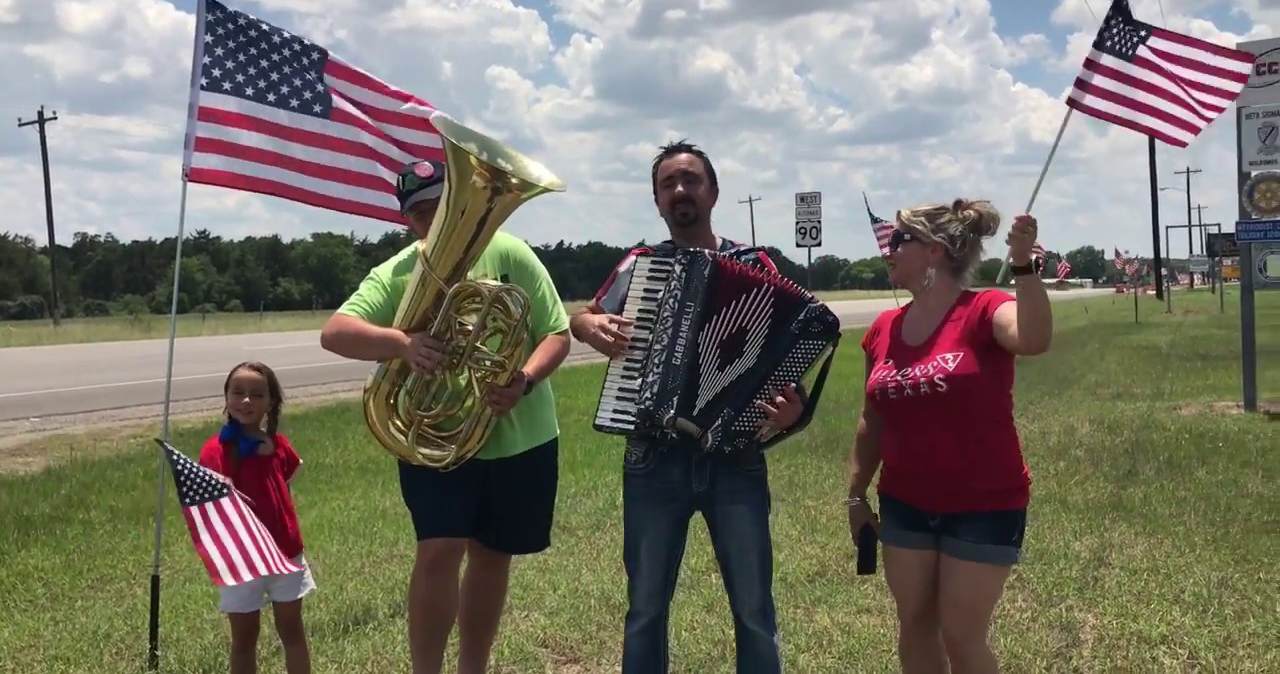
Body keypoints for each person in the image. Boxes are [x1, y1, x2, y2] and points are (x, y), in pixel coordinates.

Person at [318, 159, 572, 674]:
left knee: (493, 555)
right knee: (438, 551)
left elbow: (556, 333)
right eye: (420, 213)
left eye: (442, 206)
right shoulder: (397, 272)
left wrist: (523, 379)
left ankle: (472, 667)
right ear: (406, 220)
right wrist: (402, 344)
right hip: (436, 440)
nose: (433, 219)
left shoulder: (510, 252)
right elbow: (335, 332)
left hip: (518, 437)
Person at [569, 140, 810, 674]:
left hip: (736, 460)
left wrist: (795, 412)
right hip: (653, 460)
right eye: (668, 184)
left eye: (691, 180)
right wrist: (589, 326)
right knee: (645, 609)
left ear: (713, 193)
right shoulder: (641, 265)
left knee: (754, 609)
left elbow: (788, 347)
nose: (680, 190)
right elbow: (584, 316)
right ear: (657, 201)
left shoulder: (756, 264)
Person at [844, 200, 1053, 674]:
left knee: (962, 634)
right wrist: (856, 495)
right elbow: (871, 419)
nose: (888, 250)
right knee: (915, 625)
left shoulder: (984, 309)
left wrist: (1023, 265)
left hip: (984, 504)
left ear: (934, 250)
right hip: (905, 502)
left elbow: (1034, 339)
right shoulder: (883, 329)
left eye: (900, 239)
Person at [198, 360, 313, 674]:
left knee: (292, 631)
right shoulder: (214, 451)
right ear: (226, 398)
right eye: (238, 392)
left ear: (270, 402)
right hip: (242, 560)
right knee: (244, 639)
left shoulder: (280, 446)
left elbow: (283, 492)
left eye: (257, 394)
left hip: (285, 553)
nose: (246, 400)